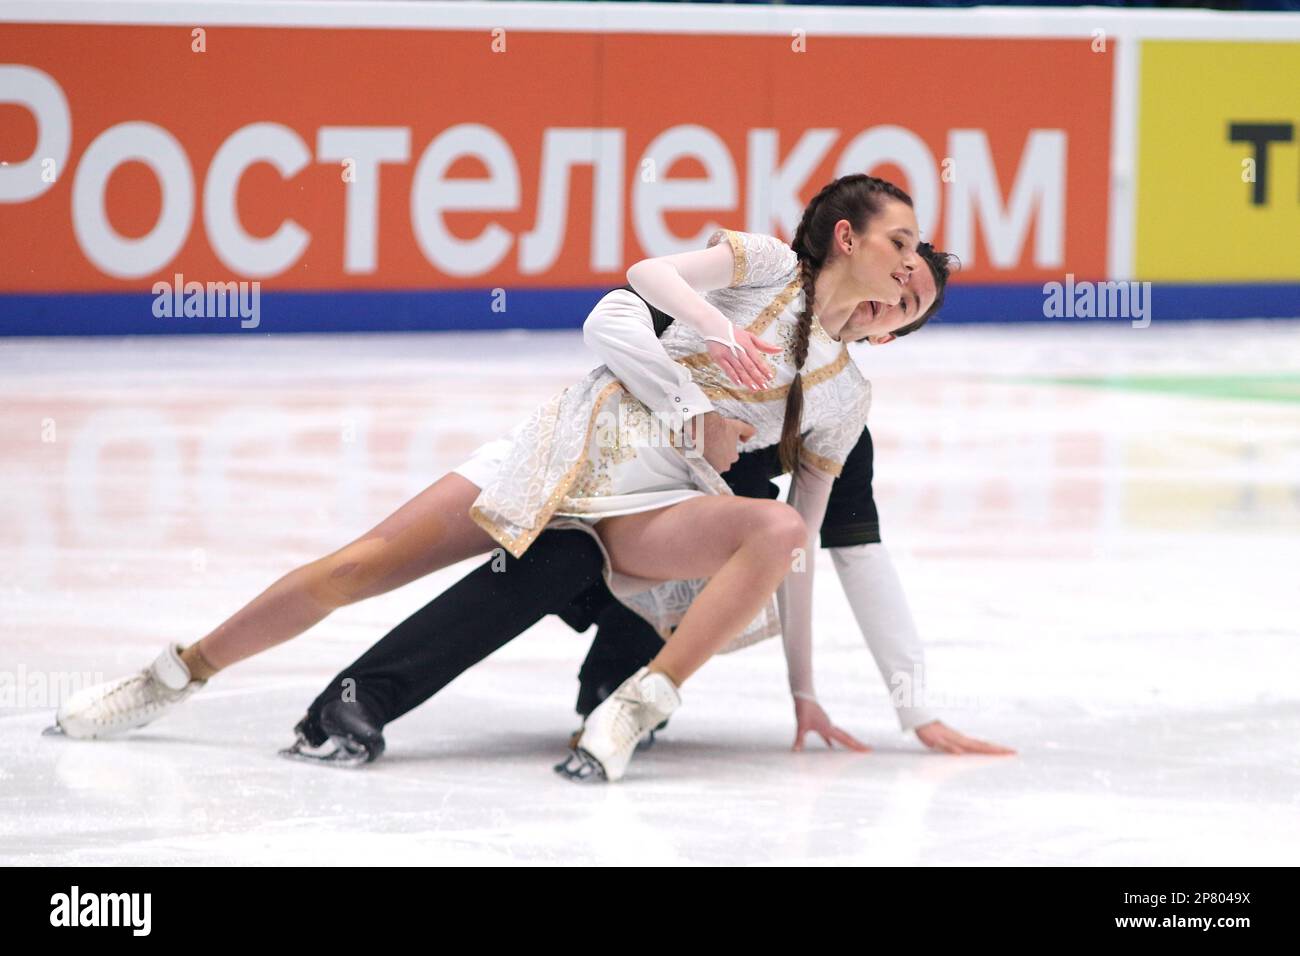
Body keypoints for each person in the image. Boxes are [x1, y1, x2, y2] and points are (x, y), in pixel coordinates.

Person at [54, 174, 924, 782]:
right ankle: (176, 673)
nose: (906, 274)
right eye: (901, 248)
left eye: (916, 288)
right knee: (360, 566)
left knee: (772, 531)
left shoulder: (845, 395)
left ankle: (631, 706)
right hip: (569, 438)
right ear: (847, 239)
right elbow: (632, 291)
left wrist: (803, 694)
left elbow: (809, 550)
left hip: (656, 498)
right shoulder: (768, 267)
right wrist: (697, 368)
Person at [287, 243, 1010, 766]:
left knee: (721, 545)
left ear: (890, 333)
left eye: (905, 301)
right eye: (892, 272)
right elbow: (616, 320)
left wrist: (912, 709)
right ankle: (362, 699)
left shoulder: (838, 408)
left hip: (678, 552)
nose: (888, 291)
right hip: (600, 482)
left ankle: (615, 685)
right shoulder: (747, 296)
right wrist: (687, 402)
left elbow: (847, 552)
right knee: (552, 561)